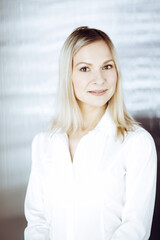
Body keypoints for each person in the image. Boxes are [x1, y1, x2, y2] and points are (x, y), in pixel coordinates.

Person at [24, 26, 157, 240]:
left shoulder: (137, 143)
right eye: (85, 69)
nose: (100, 79)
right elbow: (37, 222)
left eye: (107, 66)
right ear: (69, 75)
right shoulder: (44, 144)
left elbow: (135, 229)